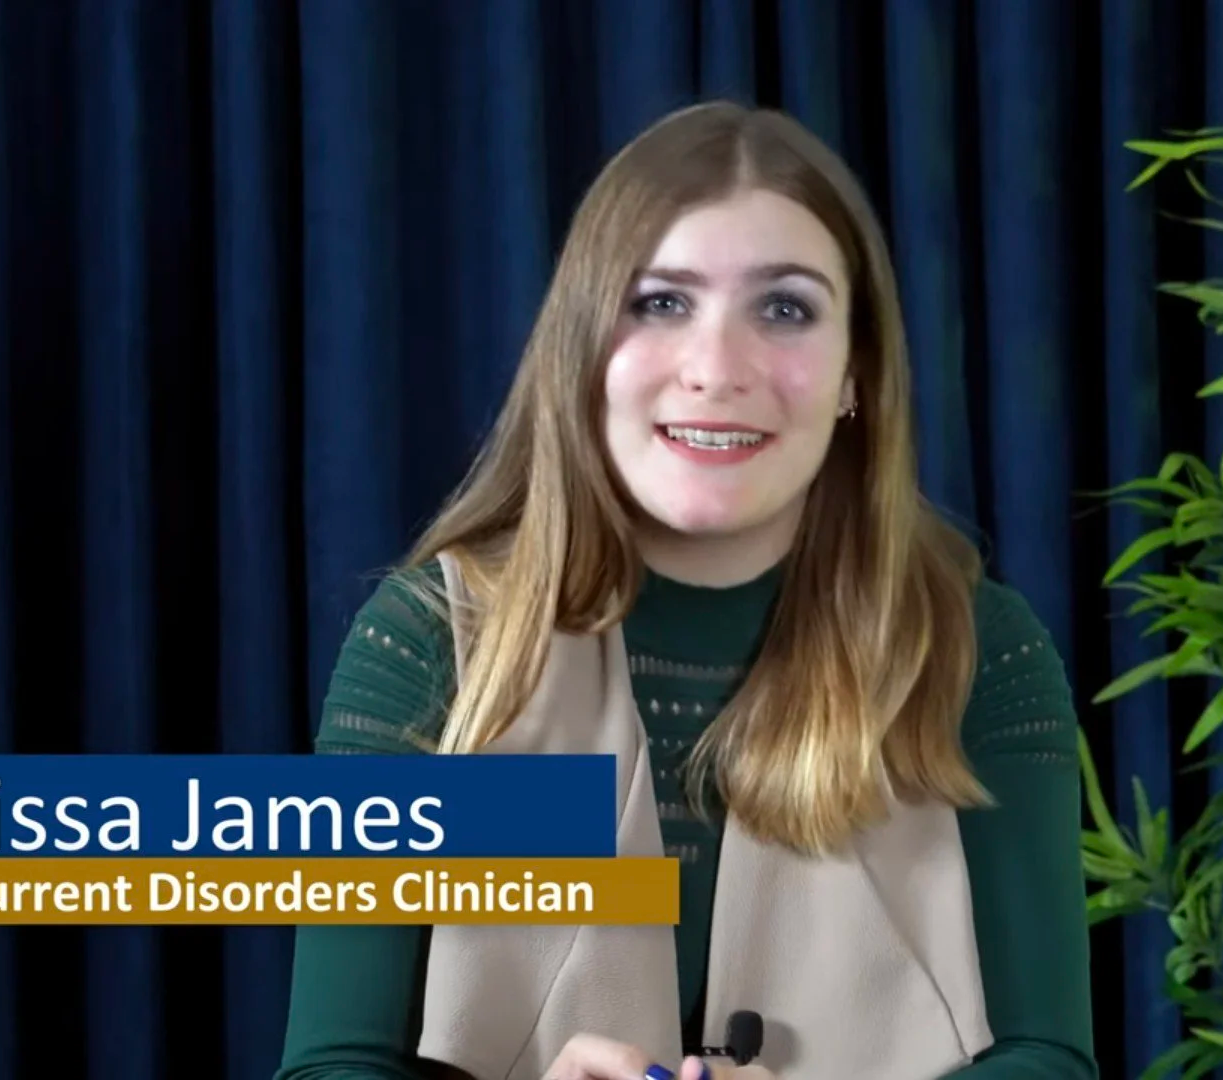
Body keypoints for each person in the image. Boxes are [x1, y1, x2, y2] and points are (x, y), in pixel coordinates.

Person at [275, 102, 1096, 1080]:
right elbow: (331, 1065)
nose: (716, 370)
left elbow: (1044, 1058)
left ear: (854, 375)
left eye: (783, 309)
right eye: (660, 302)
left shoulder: (973, 647)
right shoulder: (427, 640)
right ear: (581, 349)